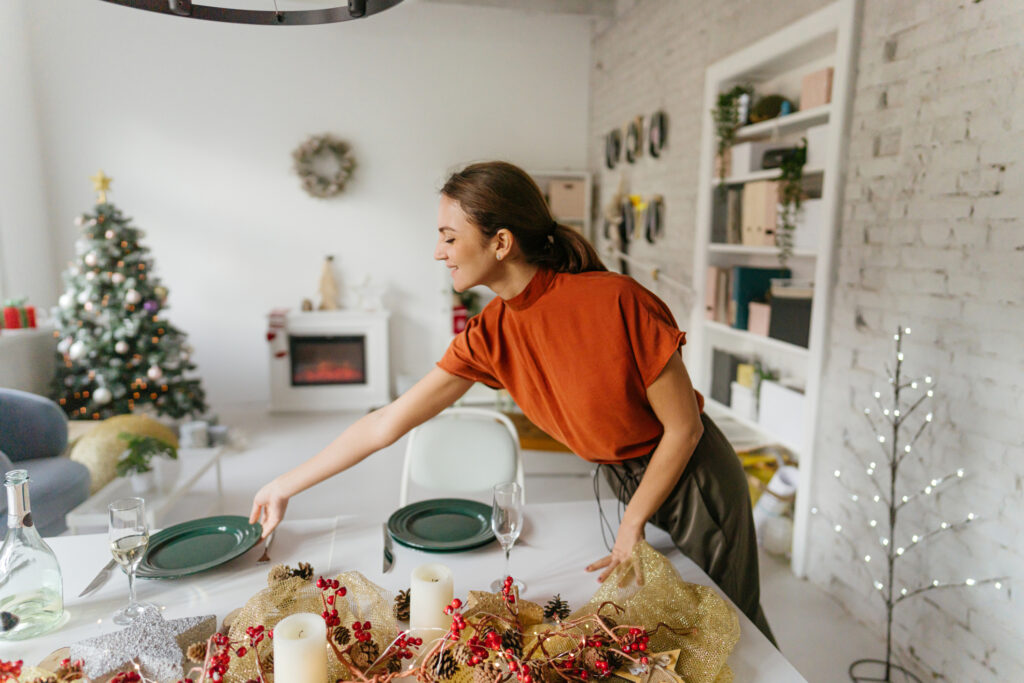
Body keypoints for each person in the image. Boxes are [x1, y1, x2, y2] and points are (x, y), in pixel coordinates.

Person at [249, 161, 775, 644]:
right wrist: (283, 485)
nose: (438, 252)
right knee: (676, 625)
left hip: (694, 479)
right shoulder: (490, 334)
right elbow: (386, 422)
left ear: (500, 242)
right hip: (630, 481)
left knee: (734, 623)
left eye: (449, 237)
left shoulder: (616, 300)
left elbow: (684, 430)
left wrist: (632, 523)